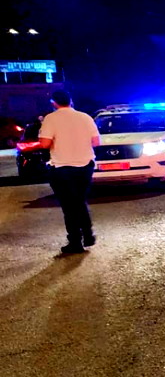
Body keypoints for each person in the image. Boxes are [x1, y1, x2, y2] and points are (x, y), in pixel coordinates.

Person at [36, 90, 100, 255]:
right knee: (79, 200)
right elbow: (96, 142)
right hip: (85, 165)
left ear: (54, 103)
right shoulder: (85, 117)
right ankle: (88, 234)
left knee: (69, 206)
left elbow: (44, 144)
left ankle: (75, 242)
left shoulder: (51, 119)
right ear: (71, 101)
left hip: (62, 167)